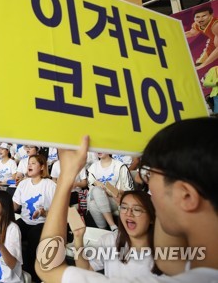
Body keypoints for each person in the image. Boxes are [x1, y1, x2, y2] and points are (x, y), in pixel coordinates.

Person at [35, 117, 218, 282]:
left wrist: (66, 177)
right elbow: (166, 260)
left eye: (149, 175)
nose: (143, 181)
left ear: (186, 195)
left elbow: (48, 266)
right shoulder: (184, 264)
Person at [74, 190, 160, 278]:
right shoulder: (108, 240)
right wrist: (78, 237)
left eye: (137, 209)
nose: (128, 213)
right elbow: (86, 269)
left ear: (152, 218)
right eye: (124, 207)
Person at [13, 154, 56, 281]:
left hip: (44, 222)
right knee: (10, 230)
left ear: (42, 167)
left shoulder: (50, 185)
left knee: (34, 236)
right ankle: (13, 271)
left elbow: (59, 211)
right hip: (25, 220)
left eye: (33, 163)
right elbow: (15, 205)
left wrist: (44, 213)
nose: (29, 165)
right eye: (28, 163)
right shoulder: (23, 184)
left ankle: (34, 276)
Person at [87, 153, 134, 230]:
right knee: (97, 190)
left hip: (115, 199)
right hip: (99, 197)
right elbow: (91, 190)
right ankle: (113, 226)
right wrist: (103, 190)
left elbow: (130, 190)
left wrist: (112, 190)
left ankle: (104, 230)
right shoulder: (92, 168)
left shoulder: (120, 166)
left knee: (93, 204)